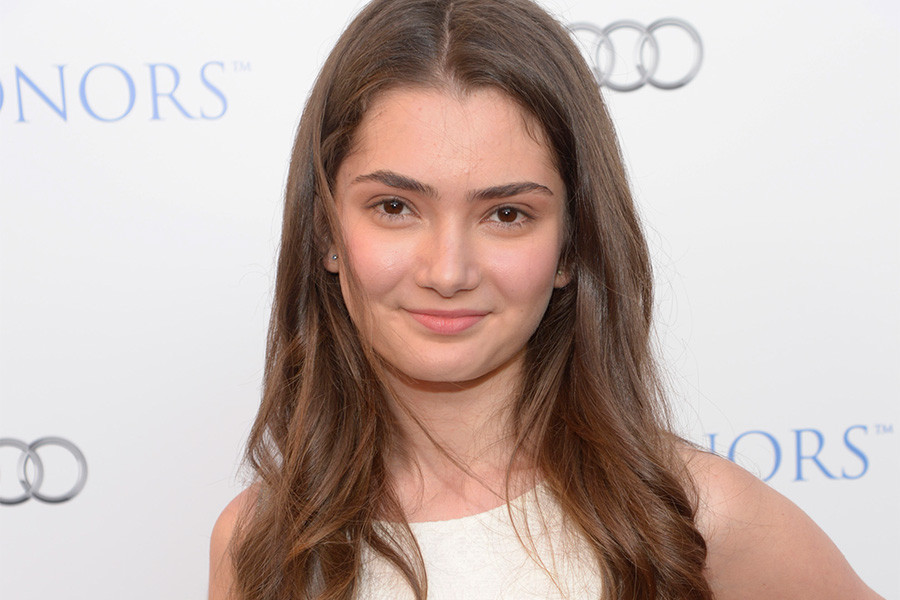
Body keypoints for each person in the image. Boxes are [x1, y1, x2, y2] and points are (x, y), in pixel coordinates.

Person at [209, 0, 882, 598]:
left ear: (570, 247)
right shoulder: (260, 545)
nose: (448, 270)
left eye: (506, 215)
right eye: (394, 206)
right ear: (327, 231)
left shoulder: (701, 519)